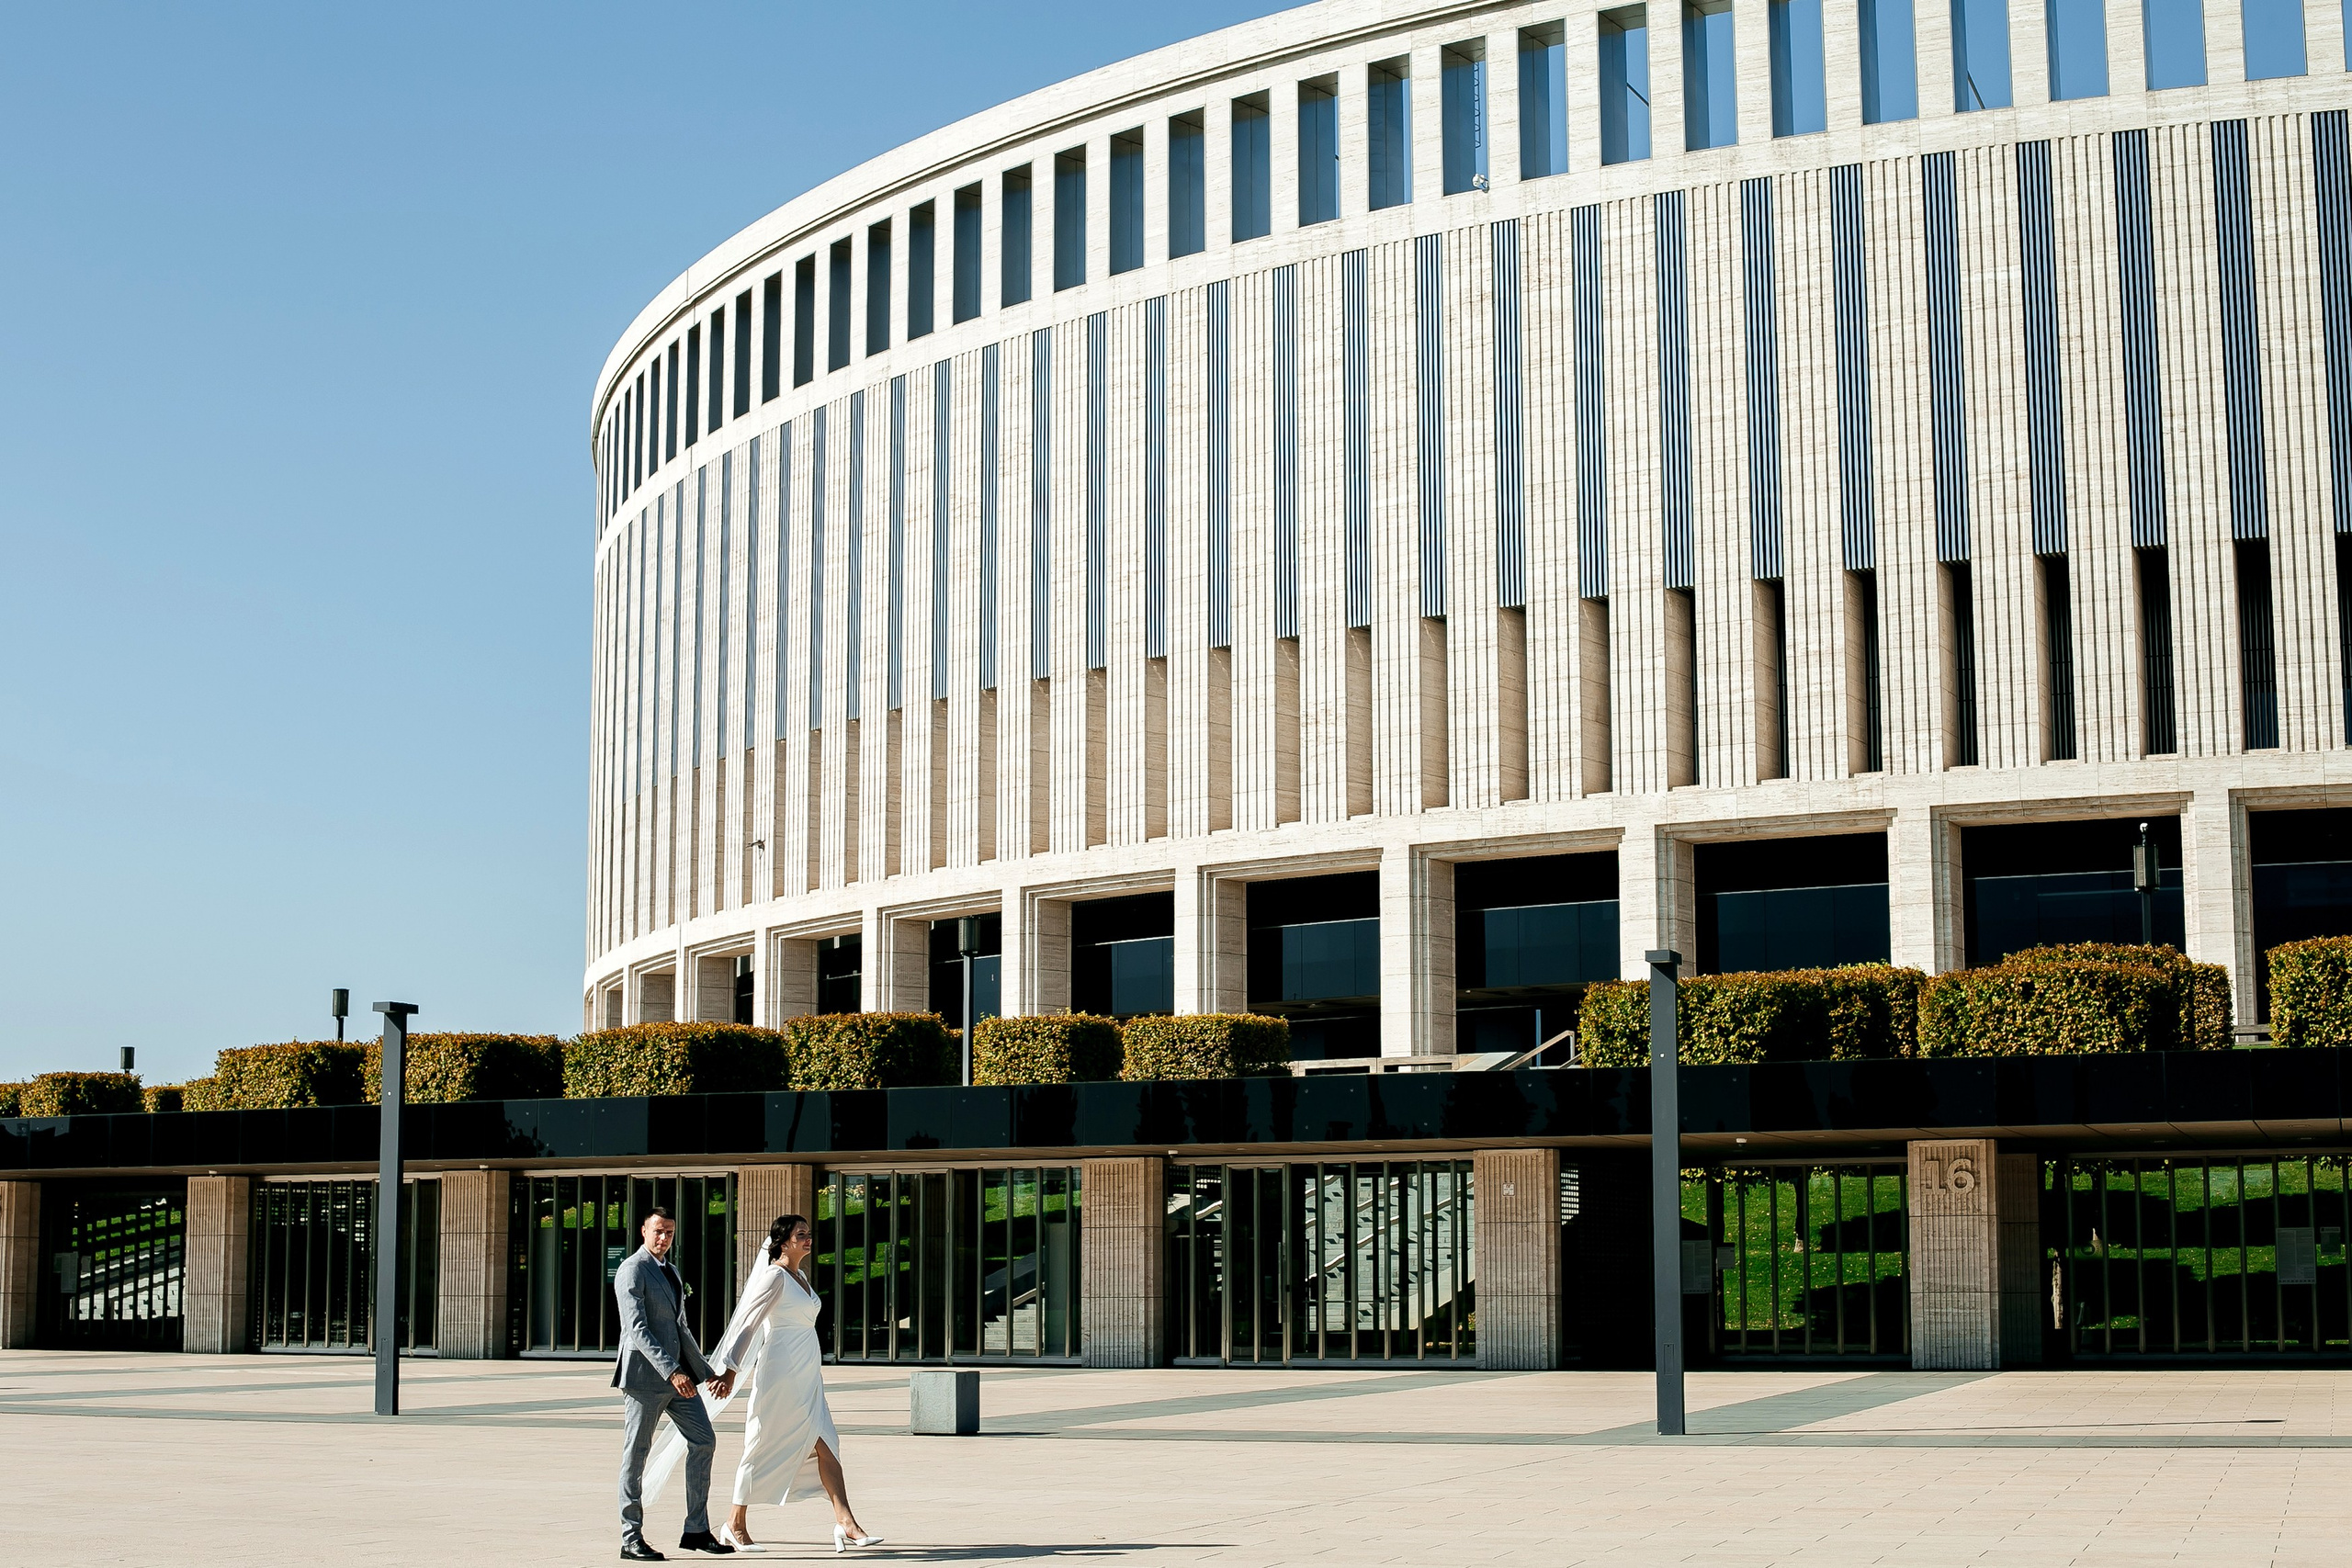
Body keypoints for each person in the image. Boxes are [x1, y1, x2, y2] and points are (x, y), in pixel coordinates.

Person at [648, 1213, 880, 1554]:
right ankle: (734, 1523)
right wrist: (729, 1370)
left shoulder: (799, 1275)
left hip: (807, 1376)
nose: (808, 1238)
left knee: (826, 1442)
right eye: (801, 1234)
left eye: (808, 1232)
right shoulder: (774, 1277)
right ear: (784, 1242)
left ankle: (847, 1523)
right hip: (780, 1374)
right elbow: (748, 1324)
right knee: (761, 1445)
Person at [613, 1208, 734, 1562]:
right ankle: (630, 1537)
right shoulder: (632, 1269)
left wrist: (705, 1371)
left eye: (669, 1232)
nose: (664, 1238)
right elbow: (637, 1329)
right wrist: (672, 1372)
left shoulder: (671, 1271)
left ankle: (696, 1529)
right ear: (643, 1231)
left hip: (679, 1379)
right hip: (644, 1379)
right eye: (658, 1231)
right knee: (636, 1454)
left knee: (704, 1441)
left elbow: (680, 1328)